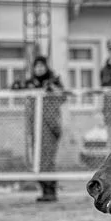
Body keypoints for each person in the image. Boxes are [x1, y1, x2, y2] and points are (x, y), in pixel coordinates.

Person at [20, 55, 67, 202]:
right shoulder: (31, 82)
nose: (39, 69)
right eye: (37, 66)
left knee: (48, 159)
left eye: (42, 66)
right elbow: (20, 90)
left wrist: (52, 88)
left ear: (46, 67)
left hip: (51, 126)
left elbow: (63, 97)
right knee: (38, 160)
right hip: (35, 126)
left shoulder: (54, 80)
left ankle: (50, 189)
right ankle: (44, 189)